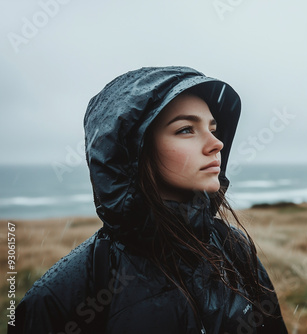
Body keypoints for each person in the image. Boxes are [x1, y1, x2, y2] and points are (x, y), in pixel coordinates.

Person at [11, 67, 288, 333]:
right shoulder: (66, 294)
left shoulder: (235, 250)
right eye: (186, 130)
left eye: (213, 128)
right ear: (136, 149)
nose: (217, 143)